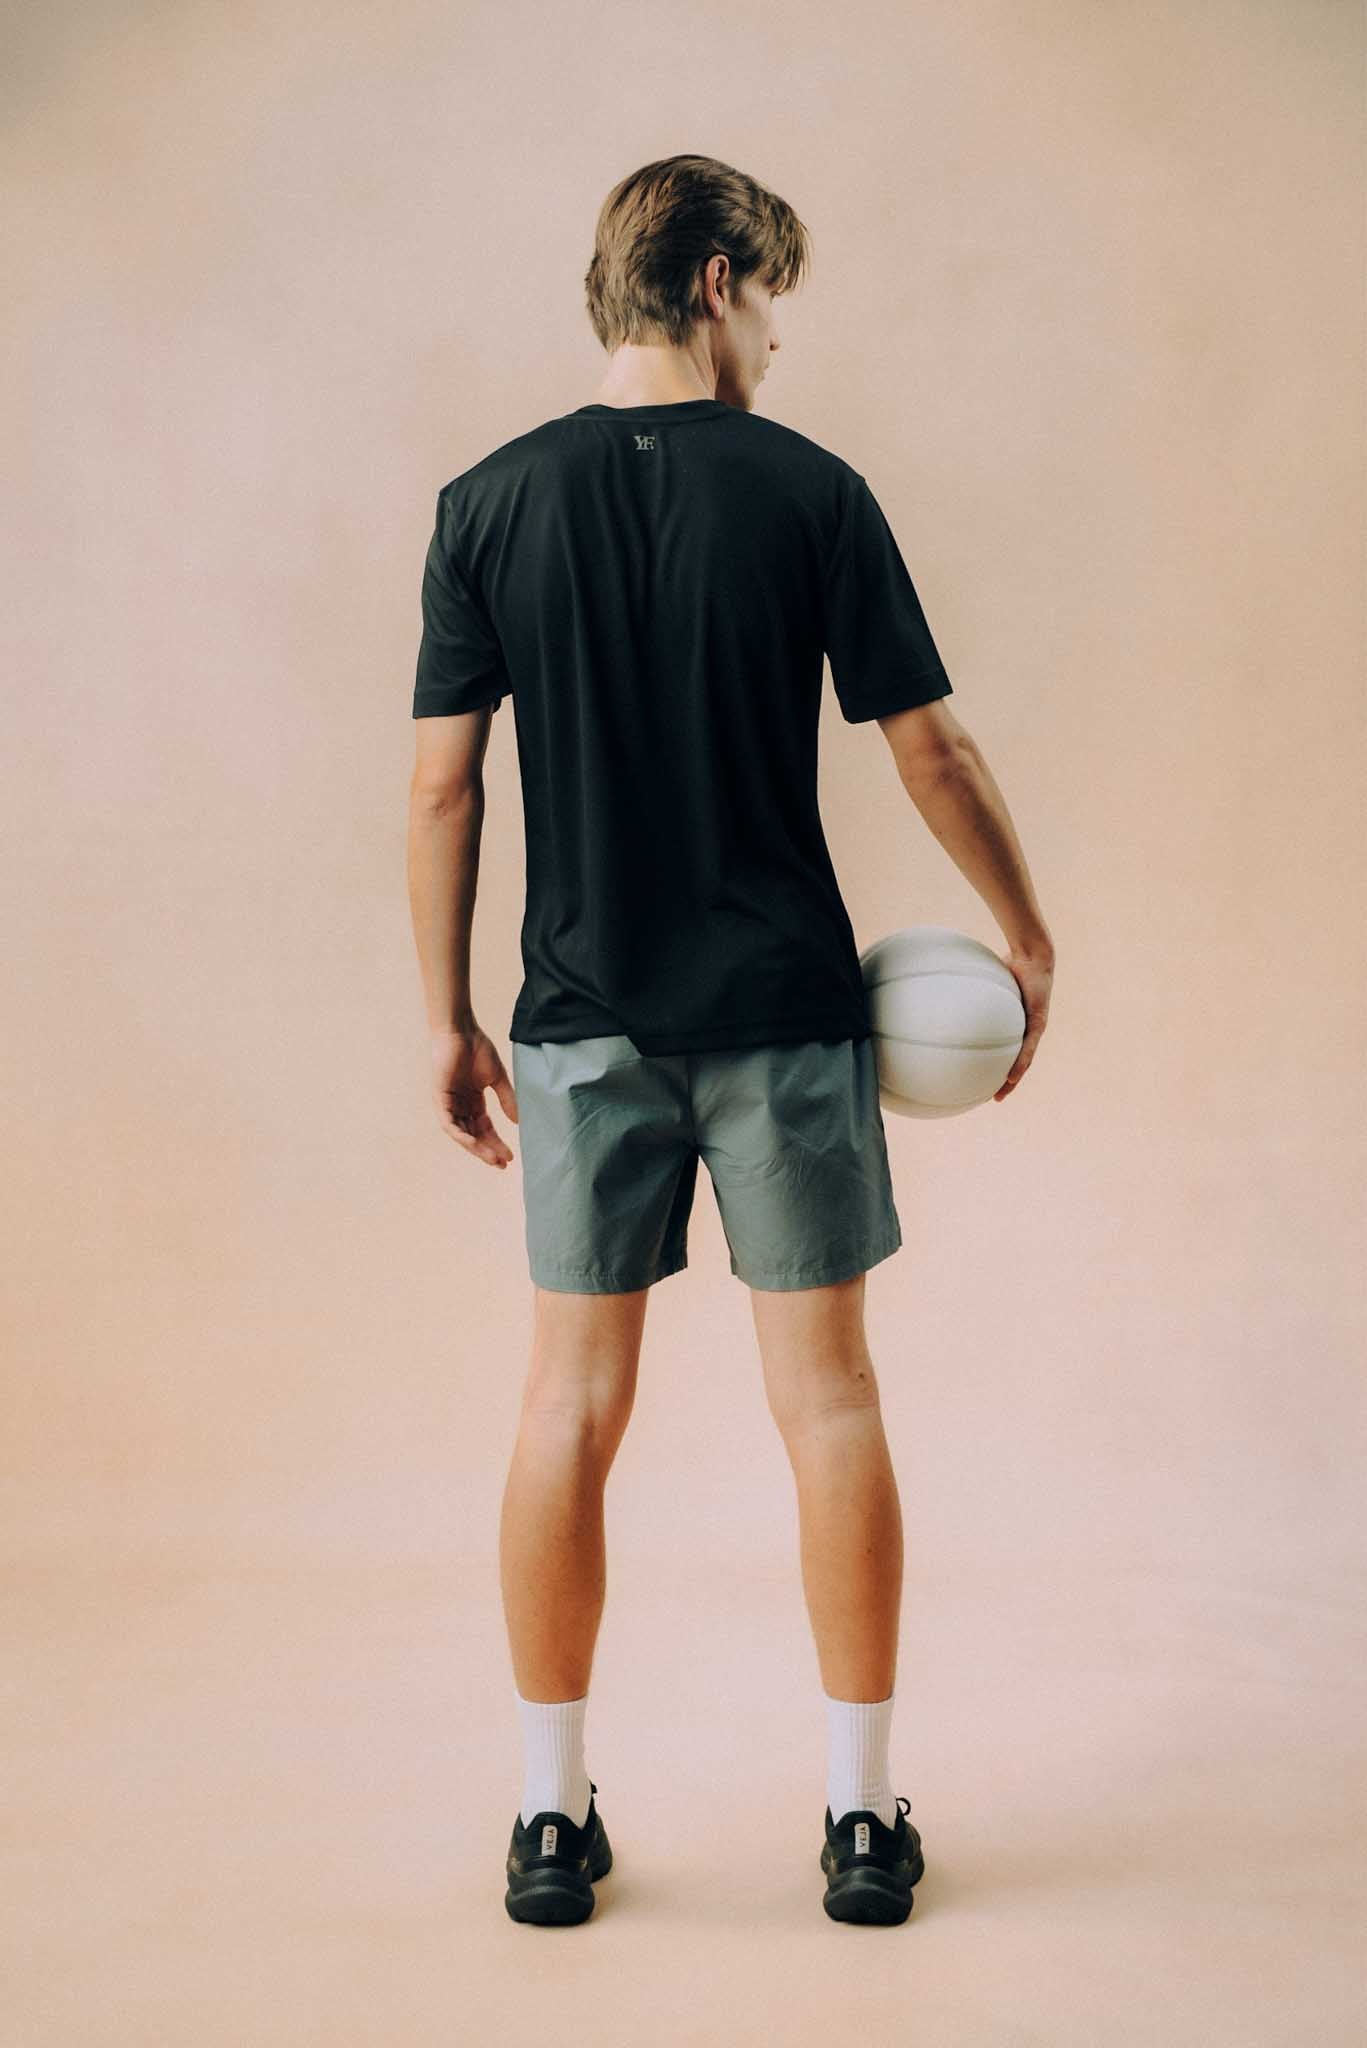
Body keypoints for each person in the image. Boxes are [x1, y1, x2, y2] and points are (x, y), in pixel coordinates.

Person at [406, 153, 1055, 1927]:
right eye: (770, 302)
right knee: (828, 1401)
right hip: (781, 1015)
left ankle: (550, 1821)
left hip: (580, 1022)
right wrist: (1025, 929)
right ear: (713, 284)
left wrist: (444, 1015)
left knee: (567, 1404)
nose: (775, 342)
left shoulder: (485, 506)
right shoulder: (812, 493)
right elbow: (933, 749)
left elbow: (444, 787)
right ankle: (860, 1820)